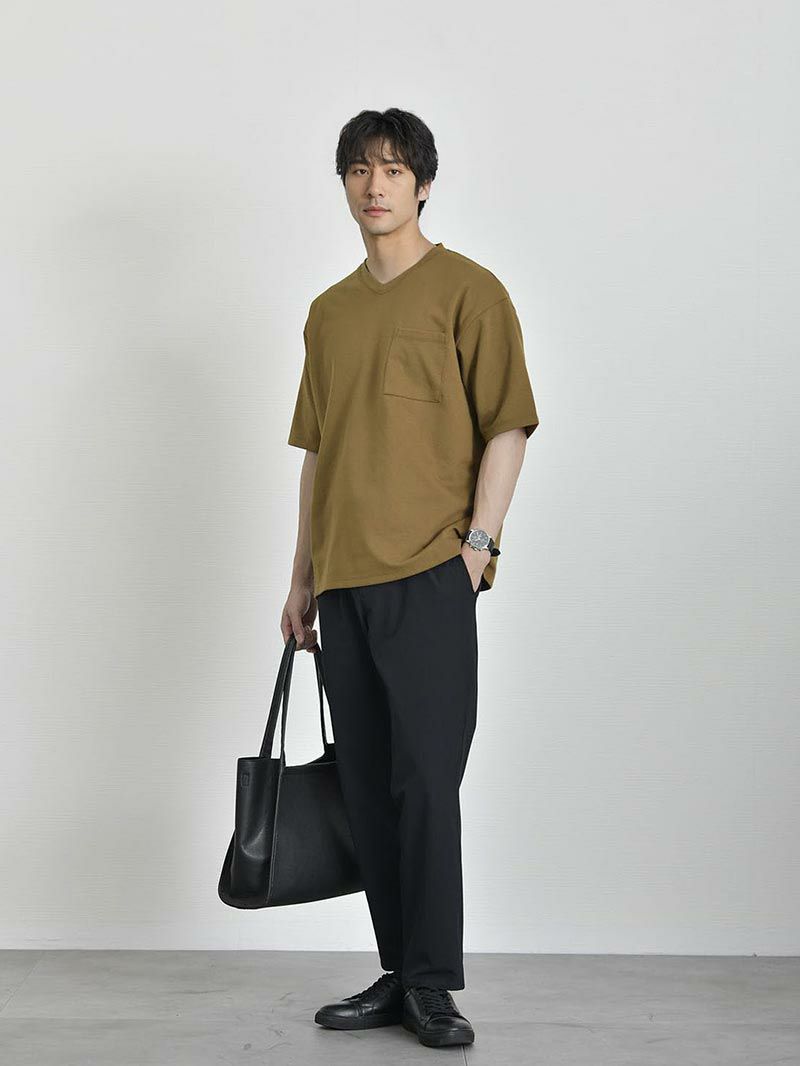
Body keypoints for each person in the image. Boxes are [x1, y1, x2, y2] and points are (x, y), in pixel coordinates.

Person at [280, 107, 540, 1050]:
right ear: (345, 186)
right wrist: (302, 577)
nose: (375, 185)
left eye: (392, 169)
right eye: (359, 169)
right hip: (343, 583)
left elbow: (506, 424)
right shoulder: (329, 312)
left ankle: (433, 985)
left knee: (427, 782)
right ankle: (398, 972)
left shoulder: (471, 291)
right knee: (366, 786)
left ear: (423, 184)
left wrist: (479, 549)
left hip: (432, 572)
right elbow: (319, 454)